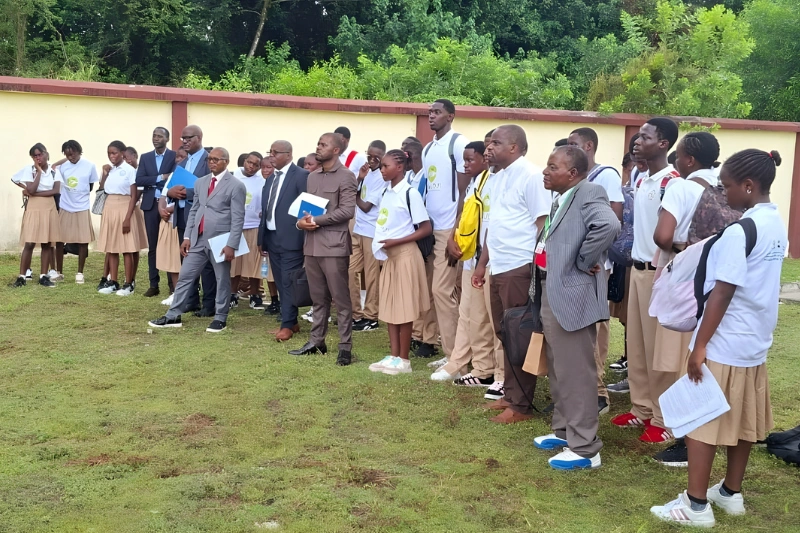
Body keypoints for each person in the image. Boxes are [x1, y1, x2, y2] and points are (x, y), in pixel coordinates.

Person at [651, 149, 786, 527]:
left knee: (702, 420)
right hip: (755, 341)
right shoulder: (776, 225)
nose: (722, 193)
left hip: (725, 341)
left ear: (748, 186)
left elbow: (723, 293)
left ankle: (695, 505)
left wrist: (699, 346)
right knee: (743, 419)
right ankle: (730, 492)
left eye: (726, 186)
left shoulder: (739, 231)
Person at [532, 145, 619, 470]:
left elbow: (609, 226)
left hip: (572, 295)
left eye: (553, 166)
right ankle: (565, 431)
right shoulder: (562, 197)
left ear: (572, 173)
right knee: (559, 368)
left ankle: (585, 448)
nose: (545, 171)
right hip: (552, 291)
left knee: (577, 372)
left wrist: (584, 260)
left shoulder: (589, 191)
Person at [649, 132, 722, 467]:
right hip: (721, 279)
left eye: (678, 155)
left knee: (680, 358)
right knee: (706, 353)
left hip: (687, 275)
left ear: (689, 160)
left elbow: (663, 235)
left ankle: (684, 438)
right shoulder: (725, 184)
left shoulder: (681, 186)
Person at [473, 125, 550, 424]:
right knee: (505, 333)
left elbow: (542, 224)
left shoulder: (531, 176)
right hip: (498, 265)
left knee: (521, 334)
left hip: (519, 266)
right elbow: (493, 224)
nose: (488, 148)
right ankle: (511, 393)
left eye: (496, 143)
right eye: (489, 142)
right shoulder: (498, 176)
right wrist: (482, 264)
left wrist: (537, 268)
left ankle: (521, 405)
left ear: (515, 147)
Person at [610, 117, 680, 444]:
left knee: (658, 350)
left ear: (663, 143)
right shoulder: (641, 180)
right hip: (635, 271)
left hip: (659, 275)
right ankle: (641, 408)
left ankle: (664, 418)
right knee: (636, 345)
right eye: (637, 137)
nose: (637, 141)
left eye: (645, 137)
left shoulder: (673, 183)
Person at [431, 141, 505, 396]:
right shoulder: (478, 180)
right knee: (470, 316)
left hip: (492, 260)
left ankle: (498, 373)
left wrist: (483, 261)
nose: (465, 165)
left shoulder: (500, 181)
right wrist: (453, 238)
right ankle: (475, 367)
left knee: (493, 320)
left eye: (470, 160)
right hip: (472, 257)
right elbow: (465, 214)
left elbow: (494, 224)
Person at [149, 148, 246, 333]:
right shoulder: (201, 182)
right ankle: (173, 315)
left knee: (221, 279)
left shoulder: (236, 185)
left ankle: (220, 317)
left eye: (216, 159)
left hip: (221, 241)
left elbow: (238, 217)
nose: (212, 162)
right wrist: (187, 237)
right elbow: (195, 210)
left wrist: (232, 244)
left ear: (226, 161)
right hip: (198, 239)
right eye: (210, 159)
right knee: (185, 275)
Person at [568, 127, 625, 415]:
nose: (570, 148)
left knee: (594, 327)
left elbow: (612, 220)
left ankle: (598, 392)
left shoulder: (606, 176)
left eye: (574, 144)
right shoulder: (574, 178)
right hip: (574, 263)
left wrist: (589, 252)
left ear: (589, 146)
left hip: (594, 264)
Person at [289, 133, 357, 365]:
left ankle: (345, 347)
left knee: (341, 299)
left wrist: (318, 220)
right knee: (318, 298)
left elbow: (348, 211)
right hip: (312, 245)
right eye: (317, 143)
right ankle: (317, 341)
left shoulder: (347, 176)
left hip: (334, 246)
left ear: (336, 150)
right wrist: (300, 222)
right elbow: (306, 210)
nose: (318, 147)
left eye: (323, 144)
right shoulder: (313, 176)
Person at [367, 150, 432, 375]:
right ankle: (394, 355)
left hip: (405, 254)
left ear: (400, 167)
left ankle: (404, 360)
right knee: (390, 305)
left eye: (385, 166)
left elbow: (425, 228)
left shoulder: (410, 193)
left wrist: (397, 241)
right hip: (390, 256)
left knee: (404, 308)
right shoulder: (387, 191)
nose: (382, 170)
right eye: (381, 166)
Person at [421, 99, 471, 363]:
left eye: (437, 112)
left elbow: (465, 191)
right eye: (430, 112)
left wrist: (454, 232)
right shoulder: (428, 148)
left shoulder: (458, 144)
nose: (431, 116)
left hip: (448, 230)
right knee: (431, 289)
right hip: (430, 229)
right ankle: (435, 343)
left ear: (450, 116)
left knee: (443, 290)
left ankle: (455, 356)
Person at [259, 141, 310, 341]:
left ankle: (287, 324)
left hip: (291, 238)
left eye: (275, 153)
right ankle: (293, 320)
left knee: (289, 281)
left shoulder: (301, 176)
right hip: (271, 237)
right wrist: (261, 238)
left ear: (288, 154)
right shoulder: (271, 178)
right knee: (280, 281)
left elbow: (307, 207)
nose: (271, 156)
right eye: (269, 152)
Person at [168, 125, 216, 316]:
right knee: (187, 260)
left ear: (199, 137)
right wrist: (171, 193)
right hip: (182, 218)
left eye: (188, 138)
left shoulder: (210, 160)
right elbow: (171, 187)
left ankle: (209, 304)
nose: (184, 141)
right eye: (182, 138)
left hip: (202, 219)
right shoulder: (181, 163)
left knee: (207, 264)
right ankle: (191, 300)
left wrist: (185, 192)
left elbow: (212, 187)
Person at [403, 139, 440, 359]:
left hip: (427, 238)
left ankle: (429, 338)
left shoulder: (428, 176)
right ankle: (416, 333)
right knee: (414, 288)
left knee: (429, 290)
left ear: (410, 155)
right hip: (410, 238)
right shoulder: (408, 177)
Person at [96, 140, 147, 296]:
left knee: (126, 248)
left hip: (124, 206)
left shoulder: (129, 170)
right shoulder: (110, 170)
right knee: (112, 247)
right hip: (110, 207)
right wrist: (104, 174)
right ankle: (113, 281)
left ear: (122, 154)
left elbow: (133, 196)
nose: (111, 156)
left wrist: (127, 218)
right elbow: (102, 189)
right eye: (109, 153)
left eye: (114, 153)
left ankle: (128, 283)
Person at [11, 143, 62, 288]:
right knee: (30, 242)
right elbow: (31, 188)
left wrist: (34, 193)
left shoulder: (54, 171)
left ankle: (43, 276)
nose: (38, 158)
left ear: (46, 154)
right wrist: (38, 172)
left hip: (49, 206)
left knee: (46, 243)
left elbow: (56, 190)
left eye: (40, 154)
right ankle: (22, 276)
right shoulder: (29, 170)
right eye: (35, 156)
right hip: (34, 207)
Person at [349, 140, 387, 332]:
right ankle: (355, 313)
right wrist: (359, 179)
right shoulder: (367, 174)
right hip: (358, 229)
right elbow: (352, 192)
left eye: (376, 158)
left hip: (372, 233)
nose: (371, 160)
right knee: (349, 270)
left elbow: (365, 206)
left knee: (372, 276)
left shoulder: (382, 177)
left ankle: (371, 316)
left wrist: (355, 192)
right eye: (369, 156)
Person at [136, 127, 177, 298]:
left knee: (169, 244)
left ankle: (172, 285)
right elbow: (139, 180)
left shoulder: (174, 156)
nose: (156, 138)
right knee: (153, 245)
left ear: (167, 139)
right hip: (150, 205)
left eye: (159, 136)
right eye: (154, 135)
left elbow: (175, 176)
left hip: (168, 204)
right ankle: (154, 284)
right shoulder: (145, 157)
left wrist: (157, 181)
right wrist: (161, 177)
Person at [54, 140, 98, 284]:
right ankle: (59, 272)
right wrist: (65, 158)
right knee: (59, 240)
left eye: (72, 154)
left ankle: (80, 273)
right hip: (65, 206)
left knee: (83, 241)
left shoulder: (89, 166)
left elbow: (90, 186)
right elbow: (53, 166)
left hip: (82, 207)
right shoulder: (62, 167)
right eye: (67, 155)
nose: (70, 158)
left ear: (79, 151)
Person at [229, 151, 267, 310]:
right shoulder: (233, 176)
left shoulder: (262, 180)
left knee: (254, 263)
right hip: (235, 225)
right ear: (244, 161)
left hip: (254, 225)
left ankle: (255, 294)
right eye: (249, 162)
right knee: (234, 263)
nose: (251, 167)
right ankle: (232, 294)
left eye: (256, 165)